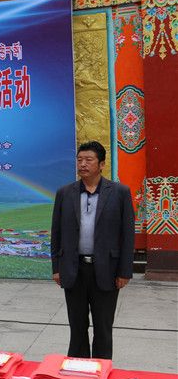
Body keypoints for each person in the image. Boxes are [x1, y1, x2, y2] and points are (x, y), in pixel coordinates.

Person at [51, 141, 134, 360]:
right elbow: (56, 233)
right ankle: (77, 370)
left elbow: (127, 235)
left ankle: (101, 370)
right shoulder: (65, 193)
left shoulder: (119, 193)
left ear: (102, 164)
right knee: (77, 327)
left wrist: (125, 271)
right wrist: (56, 268)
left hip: (106, 270)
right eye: (79, 160)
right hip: (73, 269)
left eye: (89, 160)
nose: (83, 164)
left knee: (103, 327)